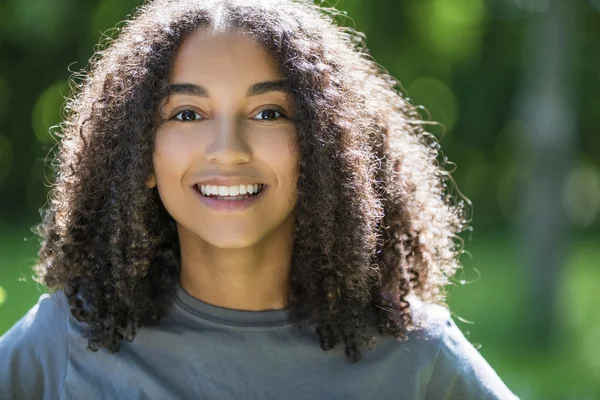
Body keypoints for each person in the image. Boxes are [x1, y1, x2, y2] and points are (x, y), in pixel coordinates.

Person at [0, 0, 520, 399]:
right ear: (138, 156)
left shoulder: (417, 354)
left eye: (269, 113)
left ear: (323, 148)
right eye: (186, 113)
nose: (228, 151)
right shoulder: (67, 338)